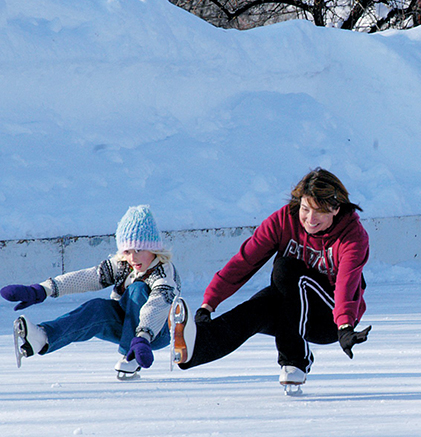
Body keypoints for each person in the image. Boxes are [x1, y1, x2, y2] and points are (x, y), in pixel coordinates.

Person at [172, 168, 371, 392]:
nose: (310, 219)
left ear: (335, 208)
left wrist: (344, 326)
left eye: (319, 212)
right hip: (293, 310)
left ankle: (296, 360)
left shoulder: (353, 236)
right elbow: (244, 261)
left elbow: (347, 282)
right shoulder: (285, 219)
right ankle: (196, 348)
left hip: (329, 318)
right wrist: (208, 305)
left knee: (286, 268)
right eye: (305, 209)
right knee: (255, 310)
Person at [1, 205, 180, 379]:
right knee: (97, 308)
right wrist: (42, 290)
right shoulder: (123, 265)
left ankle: (131, 356)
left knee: (138, 289)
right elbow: (88, 278)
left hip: (155, 333)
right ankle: (44, 337)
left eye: (139, 250)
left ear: (154, 248)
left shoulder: (164, 272)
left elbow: (157, 306)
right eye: (127, 251)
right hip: (126, 325)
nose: (132, 257)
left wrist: (143, 338)